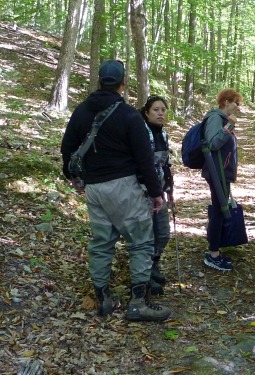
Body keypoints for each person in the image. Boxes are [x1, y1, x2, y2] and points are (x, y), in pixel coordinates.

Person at [60, 60, 171, 321]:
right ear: (122, 83)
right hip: (123, 187)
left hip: (94, 188)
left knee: (101, 243)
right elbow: (144, 159)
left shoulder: (81, 112)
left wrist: (74, 177)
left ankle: (103, 299)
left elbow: (67, 148)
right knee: (141, 242)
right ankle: (138, 303)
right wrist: (156, 193)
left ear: (100, 81)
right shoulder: (129, 115)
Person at [202, 88, 243, 271]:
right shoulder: (215, 119)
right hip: (216, 173)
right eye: (236, 103)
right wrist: (229, 128)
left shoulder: (222, 120)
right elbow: (212, 143)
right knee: (219, 211)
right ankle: (213, 254)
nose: (237, 107)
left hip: (221, 172)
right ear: (226, 102)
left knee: (220, 209)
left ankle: (215, 248)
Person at [139, 95, 174, 295]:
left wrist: (168, 185)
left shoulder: (164, 134)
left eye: (163, 110)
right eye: (156, 110)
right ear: (146, 112)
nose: (161, 113)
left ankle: (154, 263)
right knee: (147, 234)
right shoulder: (142, 134)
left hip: (160, 191)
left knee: (162, 232)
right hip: (143, 192)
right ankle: (145, 274)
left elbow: (165, 163)